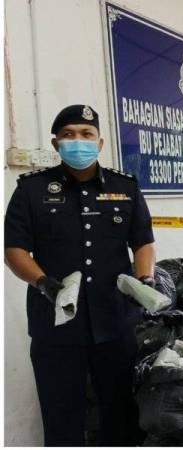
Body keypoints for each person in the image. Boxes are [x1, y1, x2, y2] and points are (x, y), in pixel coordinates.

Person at [4, 104, 156, 446]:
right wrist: (44, 283)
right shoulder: (31, 190)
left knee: (120, 414)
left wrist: (144, 281)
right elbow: (14, 251)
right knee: (62, 417)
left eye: (86, 134)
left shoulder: (125, 187)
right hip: (55, 326)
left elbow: (143, 242)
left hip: (115, 321)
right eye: (69, 135)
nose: (78, 141)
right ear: (56, 144)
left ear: (100, 143)